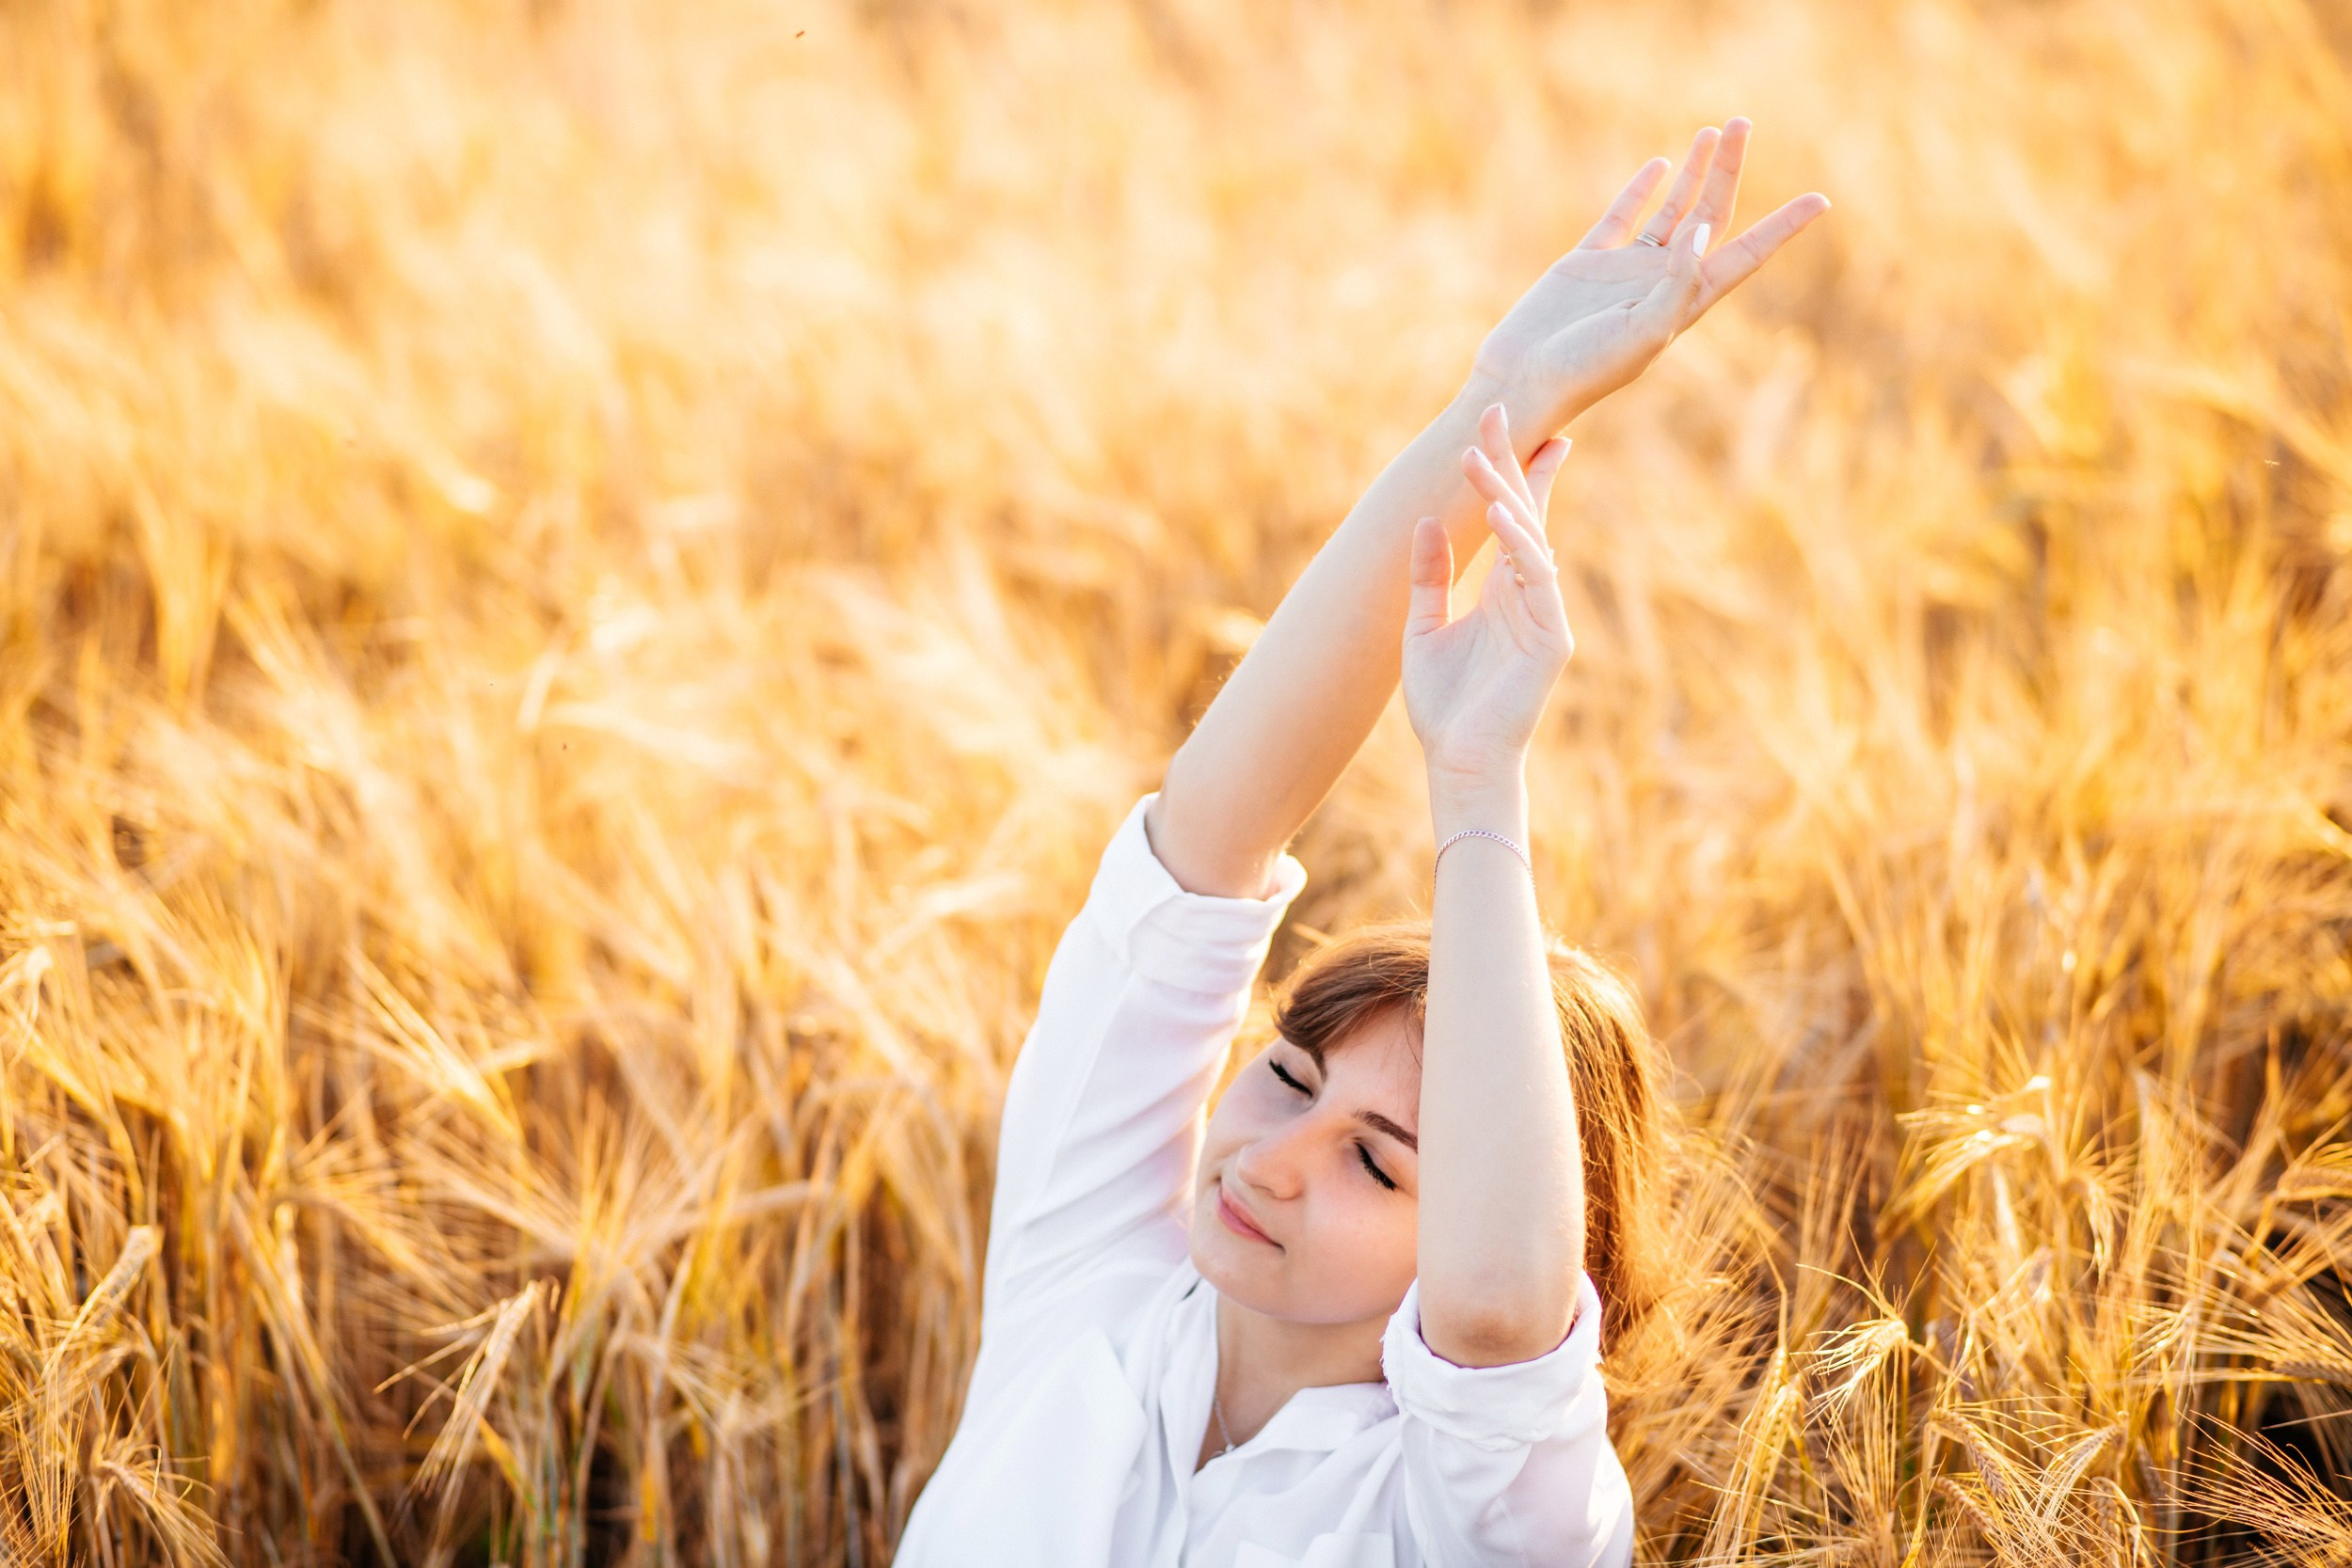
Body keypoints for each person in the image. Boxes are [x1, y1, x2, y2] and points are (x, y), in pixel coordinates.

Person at [895, 120, 1830, 1567]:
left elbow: (1500, 1319)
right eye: (1283, 1081)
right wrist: (1498, 404)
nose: (1270, 1163)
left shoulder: (1479, 1520)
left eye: (1380, 1166)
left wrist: (1476, 783)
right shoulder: (1082, 1280)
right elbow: (1202, 844)